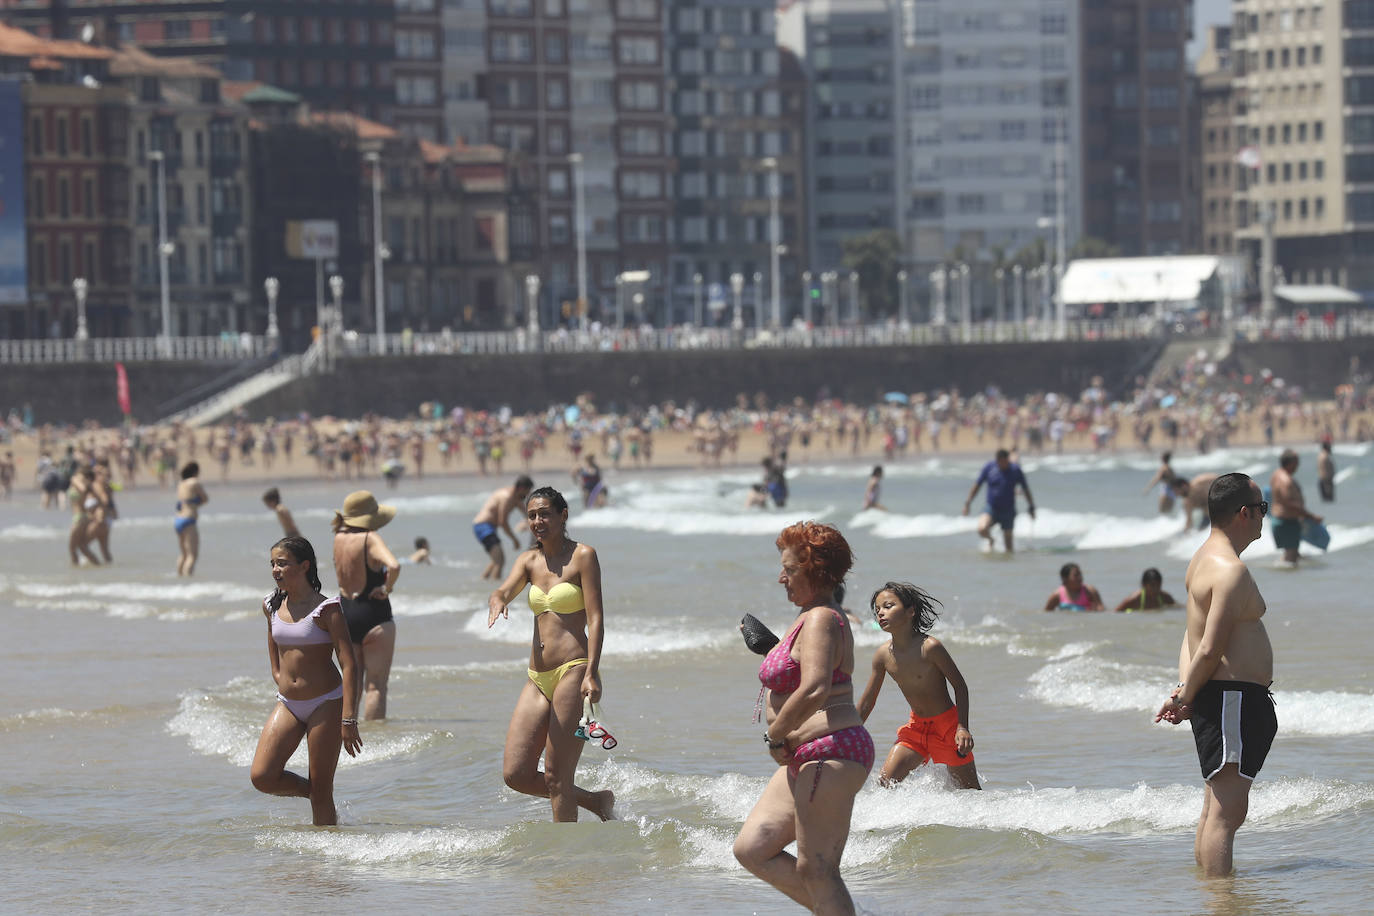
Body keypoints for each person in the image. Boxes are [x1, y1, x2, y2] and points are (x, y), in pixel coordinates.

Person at [734, 522, 872, 915]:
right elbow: (802, 673)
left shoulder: (822, 619)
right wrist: (770, 651)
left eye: (790, 570)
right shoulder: (810, 617)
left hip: (831, 750)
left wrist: (775, 736)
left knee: (818, 869)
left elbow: (815, 688)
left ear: (816, 571)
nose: (782, 578)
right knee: (752, 848)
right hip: (807, 753)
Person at [1154, 472, 1277, 878]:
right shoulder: (1230, 570)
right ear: (1244, 513)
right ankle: (1223, 902)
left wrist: (1185, 690)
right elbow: (1209, 646)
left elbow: (1191, 638)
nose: (1264, 516)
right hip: (1231, 699)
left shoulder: (1202, 558)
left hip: (1224, 697)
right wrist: (1187, 693)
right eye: (1263, 508)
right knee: (1227, 814)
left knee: (1214, 810)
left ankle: (1211, 896)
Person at [487, 486, 614, 822]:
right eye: (531, 515)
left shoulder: (583, 556)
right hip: (537, 676)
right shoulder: (528, 560)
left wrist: (593, 672)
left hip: (574, 669)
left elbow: (596, 617)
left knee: (558, 777)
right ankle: (595, 802)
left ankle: (566, 868)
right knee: (516, 774)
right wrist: (498, 599)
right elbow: (505, 589)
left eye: (545, 513)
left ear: (563, 516)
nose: (538, 521)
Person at [250, 536, 362, 826]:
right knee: (262, 776)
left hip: (326, 702)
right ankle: (311, 792)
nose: (276, 569)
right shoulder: (271, 605)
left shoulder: (327, 609)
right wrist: (280, 678)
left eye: (283, 563)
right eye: (273, 563)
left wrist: (348, 719)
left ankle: (324, 862)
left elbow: (349, 665)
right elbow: (274, 650)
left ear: (304, 566)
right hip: (289, 703)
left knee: (324, 788)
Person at [857, 582, 979, 789]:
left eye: (888, 606)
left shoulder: (930, 648)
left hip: (948, 728)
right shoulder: (883, 655)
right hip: (916, 728)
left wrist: (962, 728)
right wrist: (848, 731)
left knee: (971, 794)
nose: (881, 613)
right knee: (884, 786)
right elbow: (868, 700)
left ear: (910, 611)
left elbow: (960, 686)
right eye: (877, 610)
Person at [332, 490, 400, 720]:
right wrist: (386, 588)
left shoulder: (338, 537)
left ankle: (350, 733)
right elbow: (394, 565)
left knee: (353, 683)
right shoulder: (370, 538)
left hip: (344, 613)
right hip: (373, 613)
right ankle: (375, 740)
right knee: (376, 685)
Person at [962, 448, 1036, 553]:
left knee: (1009, 548)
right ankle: (991, 540)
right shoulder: (989, 468)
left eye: (1005, 462)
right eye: (1000, 462)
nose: (1003, 465)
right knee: (982, 529)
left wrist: (1031, 506)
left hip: (1008, 510)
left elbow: (1026, 489)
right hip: (991, 507)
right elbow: (977, 486)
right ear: (997, 460)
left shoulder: (1015, 470)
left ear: (1008, 460)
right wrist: (968, 503)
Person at [473, 475, 534, 580]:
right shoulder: (507, 497)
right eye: (527, 491)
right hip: (483, 526)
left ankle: (483, 581)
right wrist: (515, 540)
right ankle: (495, 590)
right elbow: (503, 522)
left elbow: (527, 514)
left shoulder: (515, 497)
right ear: (521, 488)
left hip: (489, 528)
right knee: (500, 560)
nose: (528, 495)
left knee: (495, 560)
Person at [1269, 449, 1322, 567]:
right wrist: (1311, 516)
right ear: (1291, 463)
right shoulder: (1286, 481)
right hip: (1287, 522)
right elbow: (1289, 504)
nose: (1298, 465)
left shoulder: (1277, 474)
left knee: (1292, 554)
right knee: (1291, 559)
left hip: (1282, 520)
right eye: (1297, 462)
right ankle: (1287, 583)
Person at [174, 461, 209, 576]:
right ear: (195, 471)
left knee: (183, 554)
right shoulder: (194, 482)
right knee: (192, 555)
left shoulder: (181, 483)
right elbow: (205, 498)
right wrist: (197, 502)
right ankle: (188, 581)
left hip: (178, 519)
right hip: (189, 519)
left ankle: (179, 578)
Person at [66, 466, 101, 567]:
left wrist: (75, 480)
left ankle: (75, 568)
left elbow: (83, 489)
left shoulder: (76, 480)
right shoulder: (86, 484)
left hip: (79, 518)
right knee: (82, 547)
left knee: (72, 548)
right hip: (83, 517)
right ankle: (98, 565)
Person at [1114, 567, 1179, 612]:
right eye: (1152, 585)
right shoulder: (1133, 599)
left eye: (1158, 585)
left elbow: (1178, 608)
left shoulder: (1165, 597)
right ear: (1144, 585)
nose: (1156, 589)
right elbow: (1115, 613)